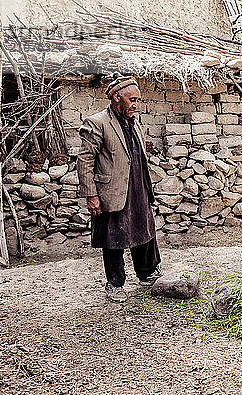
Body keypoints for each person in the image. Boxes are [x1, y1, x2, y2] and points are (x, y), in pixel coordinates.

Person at [77, 76, 162, 303]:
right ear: (116, 97)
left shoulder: (134, 123)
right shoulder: (98, 122)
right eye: (131, 99)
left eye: (138, 100)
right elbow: (84, 161)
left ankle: (146, 273)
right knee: (113, 238)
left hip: (138, 188)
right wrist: (91, 195)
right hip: (112, 192)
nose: (136, 104)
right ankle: (115, 283)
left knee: (143, 230)